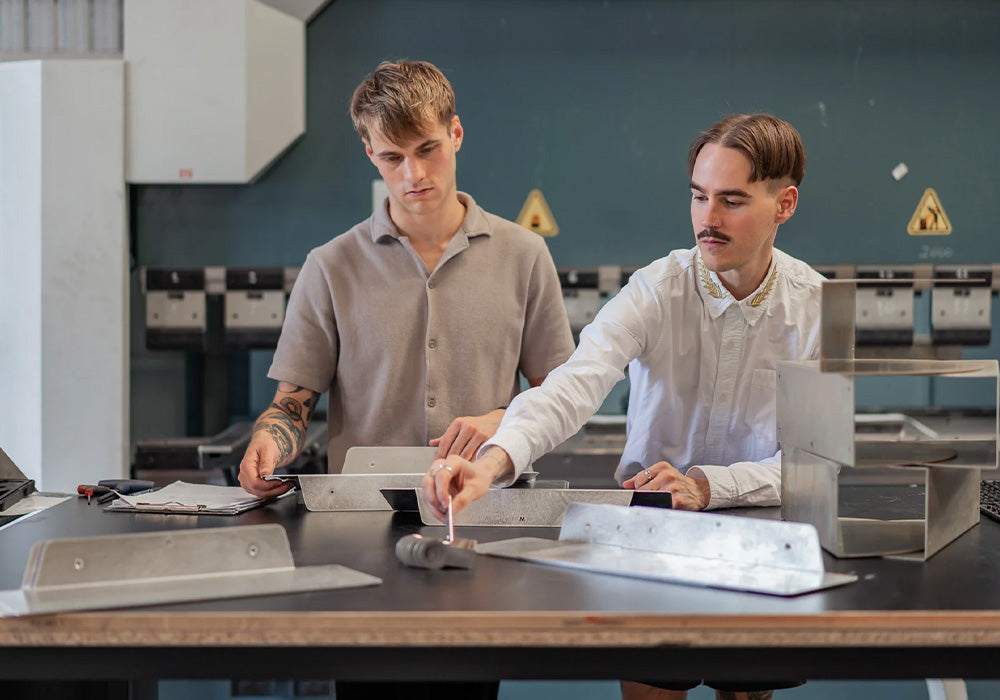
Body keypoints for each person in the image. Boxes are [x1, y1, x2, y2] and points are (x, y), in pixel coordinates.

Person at [422, 113, 822, 700]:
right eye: (698, 196)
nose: (707, 219)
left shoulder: (815, 308)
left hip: (761, 540)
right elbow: (573, 384)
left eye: (732, 200)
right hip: (651, 538)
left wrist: (706, 486)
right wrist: (491, 462)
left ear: (784, 204)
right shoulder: (656, 290)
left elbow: (812, 465)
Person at [237, 59, 573, 498]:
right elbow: (290, 406)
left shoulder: (524, 255)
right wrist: (267, 442)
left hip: (484, 504)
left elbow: (561, 398)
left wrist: (501, 422)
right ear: (370, 153)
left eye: (427, 149)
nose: (414, 174)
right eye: (392, 157)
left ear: (456, 134)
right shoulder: (329, 266)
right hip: (361, 510)